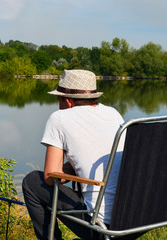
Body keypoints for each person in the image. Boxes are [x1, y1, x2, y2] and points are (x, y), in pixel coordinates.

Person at [22, 69, 125, 240]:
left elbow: (51, 177)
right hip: (137, 220)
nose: (58, 105)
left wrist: (71, 169)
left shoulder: (59, 118)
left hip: (103, 228)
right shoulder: (113, 113)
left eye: (58, 100)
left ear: (68, 101)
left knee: (32, 182)